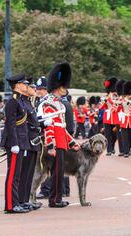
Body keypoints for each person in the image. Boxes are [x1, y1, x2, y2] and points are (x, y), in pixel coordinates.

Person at [42, 62, 80, 208]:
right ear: (58, 87)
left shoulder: (59, 103)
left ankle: (57, 198)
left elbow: (62, 127)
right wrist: (50, 144)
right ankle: (54, 199)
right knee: (56, 173)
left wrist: (72, 142)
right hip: (56, 142)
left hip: (62, 140)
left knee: (60, 173)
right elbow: (49, 126)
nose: (66, 89)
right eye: (64, 87)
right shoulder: (49, 103)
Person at [1, 74, 31, 214]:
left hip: (21, 141)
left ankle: (16, 201)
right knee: (12, 174)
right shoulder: (13, 101)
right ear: (18, 85)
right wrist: (14, 143)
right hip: (15, 142)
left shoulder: (19, 100)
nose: (26, 86)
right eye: (24, 84)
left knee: (17, 175)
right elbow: (10, 124)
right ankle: (10, 205)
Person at [18, 78, 42, 211]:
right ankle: (21, 200)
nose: (35, 90)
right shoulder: (22, 102)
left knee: (30, 172)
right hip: (27, 140)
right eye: (33, 88)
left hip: (33, 141)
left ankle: (26, 199)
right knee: (24, 172)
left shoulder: (29, 102)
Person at [101, 77, 119, 156]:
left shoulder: (117, 97)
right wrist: (106, 99)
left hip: (114, 117)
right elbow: (101, 107)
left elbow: (116, 106)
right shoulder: (105, 98)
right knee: (108, 134)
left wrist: (111, 99)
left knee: (114, 134)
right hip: (107, 118)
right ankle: (109, 149)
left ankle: (112, 147)